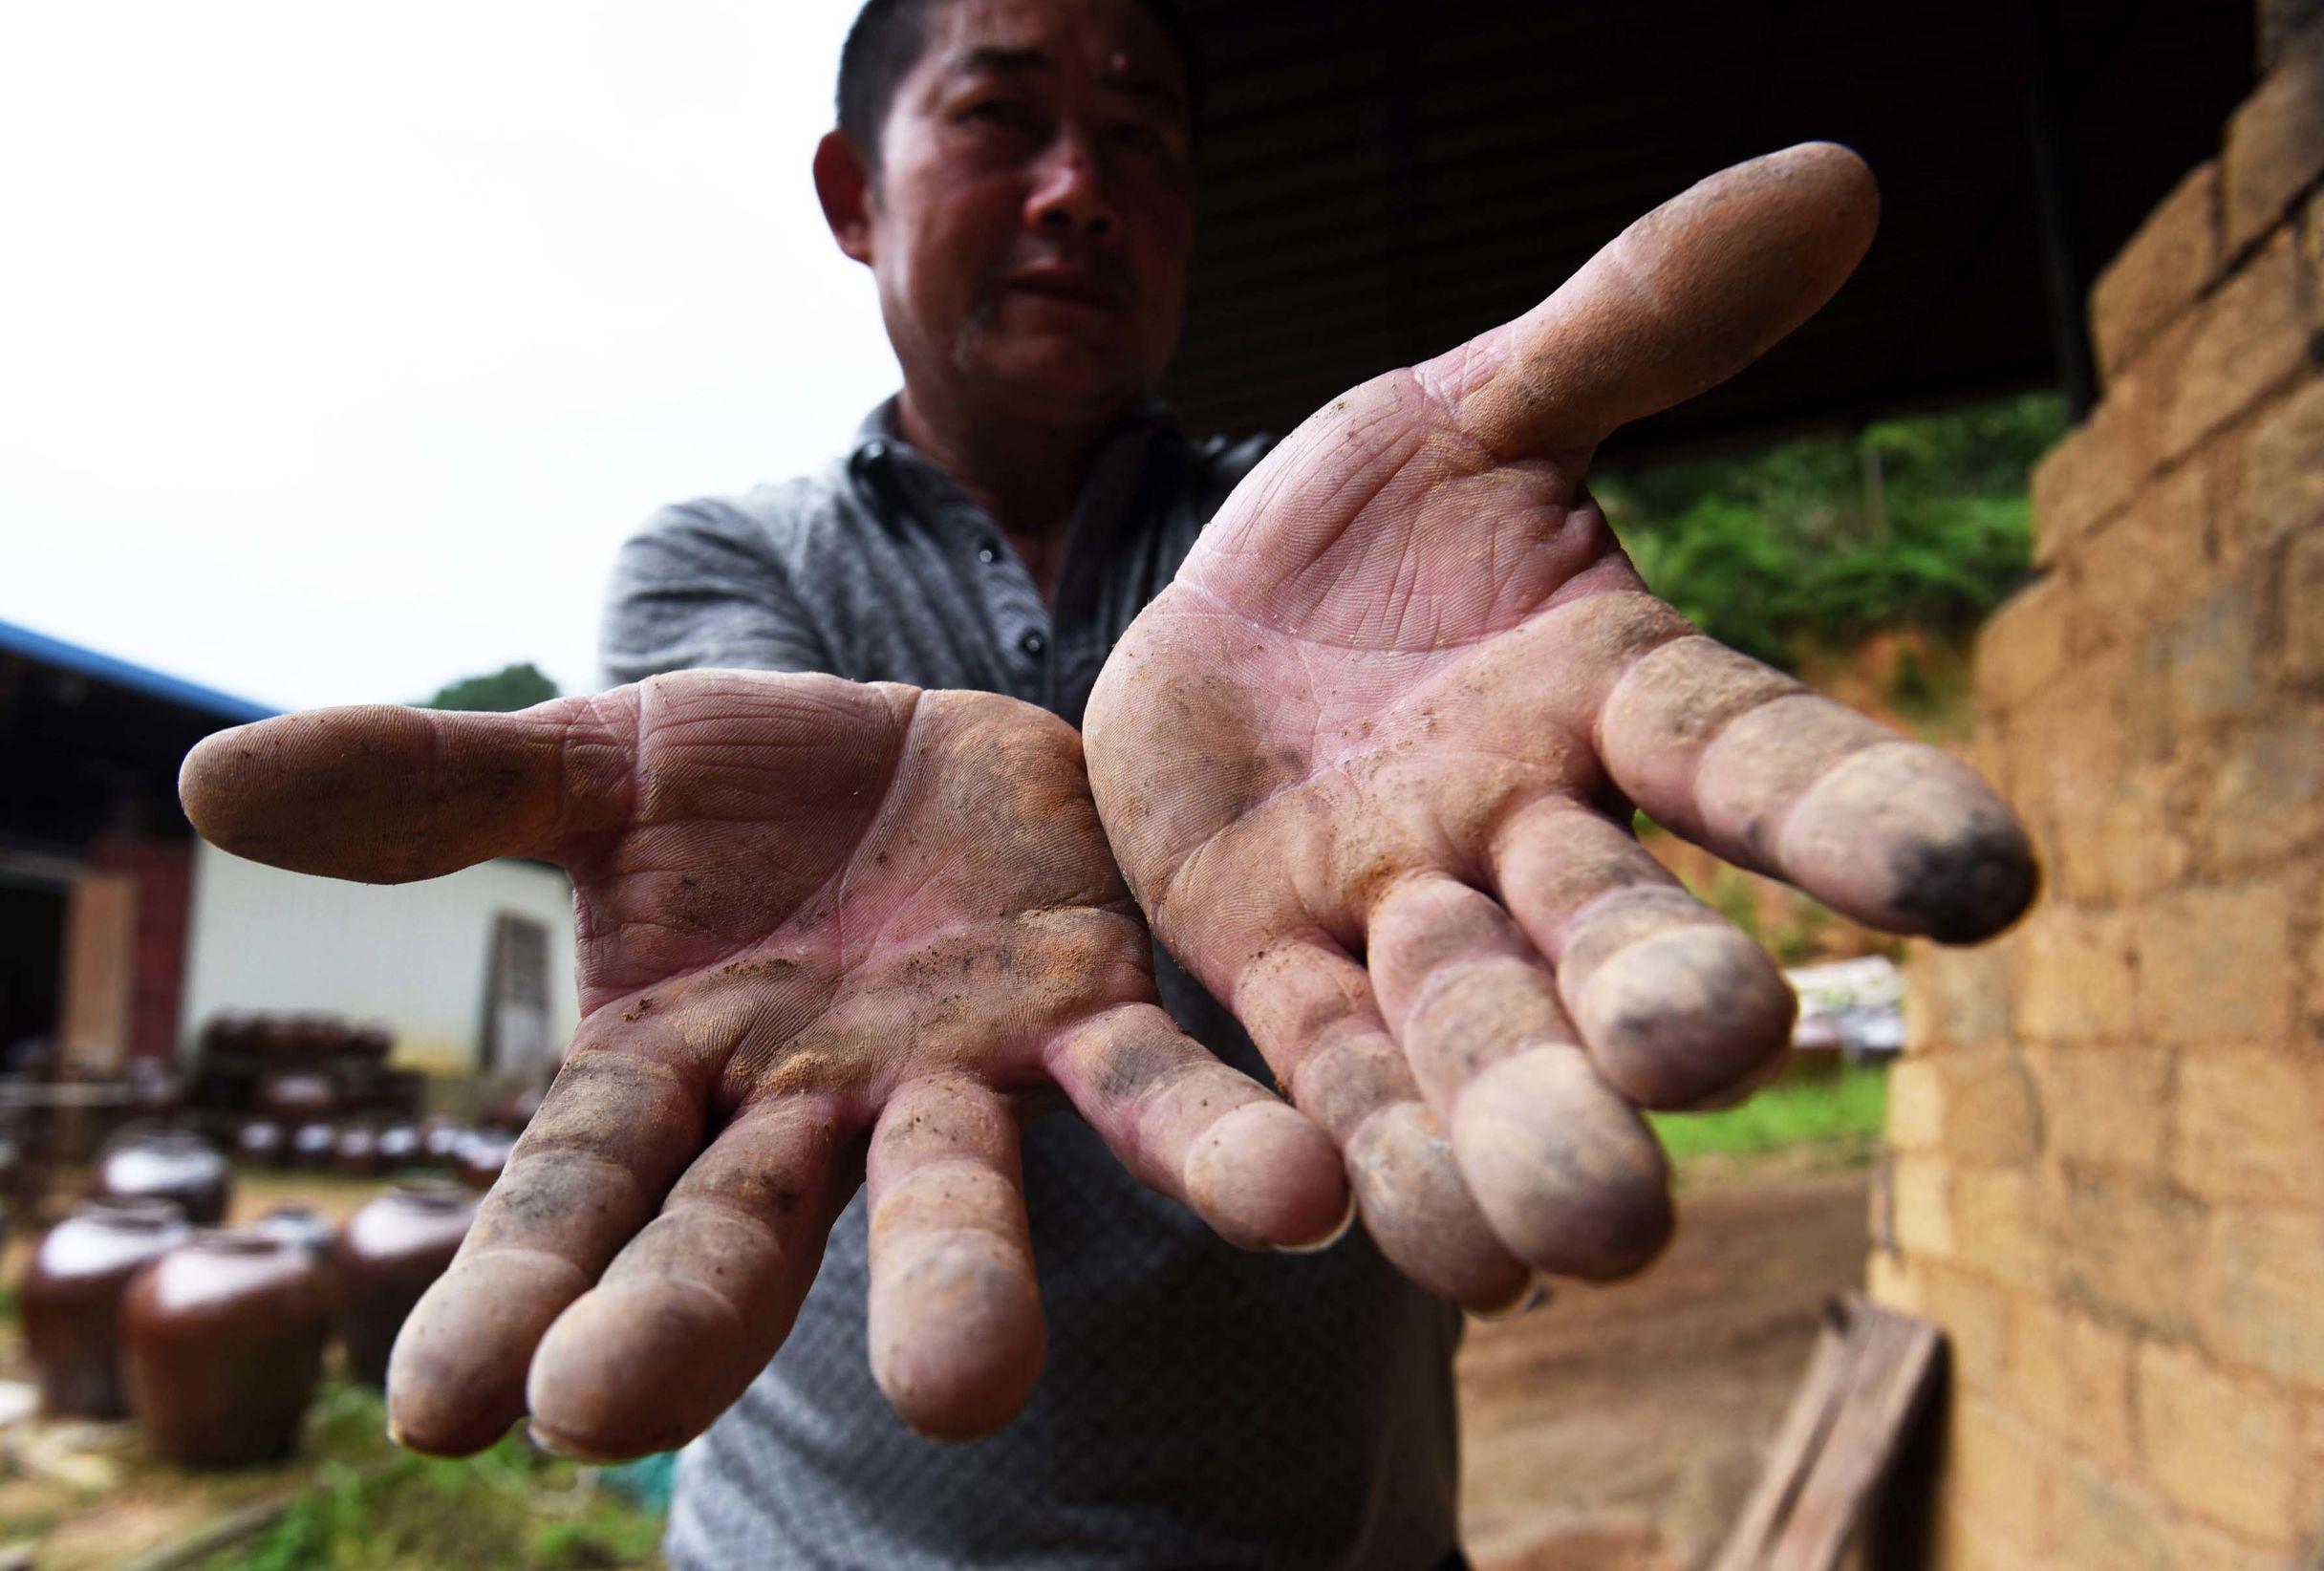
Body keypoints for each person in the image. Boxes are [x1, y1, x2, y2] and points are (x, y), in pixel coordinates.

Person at [178, 0, 2034, 1566]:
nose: (1082, 187)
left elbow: (1477, 866)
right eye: (1003, 117)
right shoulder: (724, 565)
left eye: (1142, 138)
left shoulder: (1348, 555)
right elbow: (750, 930)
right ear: (854, 191)